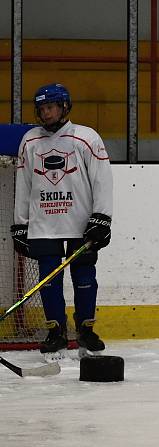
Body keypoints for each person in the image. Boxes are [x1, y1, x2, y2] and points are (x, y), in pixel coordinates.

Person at [11, 83, 113, 358]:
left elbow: (102, 180)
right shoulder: (30, 140)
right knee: (49, 280)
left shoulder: (86, 137)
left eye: (51, 107)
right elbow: (24, 183)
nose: (46, 113)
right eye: (42, 109)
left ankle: (85, 330)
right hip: (44, 224)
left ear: (65, 107)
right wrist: (20, 223)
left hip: (81, 222)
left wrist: (102, 217)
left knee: (83, 275)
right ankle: (56, 331)